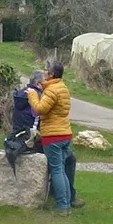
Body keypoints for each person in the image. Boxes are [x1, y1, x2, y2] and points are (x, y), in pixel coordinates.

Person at [26, 61, 84, 214]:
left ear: (51, 74)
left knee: (57, 170)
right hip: (65, 133)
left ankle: (63, 206)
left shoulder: (52, 91)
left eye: (46, 71)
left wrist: (32, 95)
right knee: (66, 166)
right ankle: (70, 199)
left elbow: (39, 109)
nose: (44, 73)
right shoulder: (63, 87)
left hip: (53, 136)